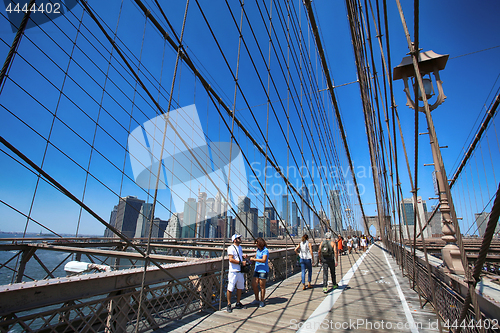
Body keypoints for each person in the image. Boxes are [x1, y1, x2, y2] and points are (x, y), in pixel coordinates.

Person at [226, 234, 248, 313]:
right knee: (230, 288)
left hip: (240, 271)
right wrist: (241, 262)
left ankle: (238, 303)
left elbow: (238, 255)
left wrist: (243, 256)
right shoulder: (230, 248)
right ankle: (229, 304)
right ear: (234, 240)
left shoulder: (240, 247)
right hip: (233, 272)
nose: (240, 239)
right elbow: (231, 259)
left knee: (240, 287)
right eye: (238, 238)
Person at [250, 237, 269, 308]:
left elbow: (264, 260)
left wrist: (254, 259)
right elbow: (255, 257)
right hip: (257, 269)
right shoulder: (258, 250)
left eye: (257, 244)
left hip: (263, 270)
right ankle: (257, 299)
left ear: (260, 244)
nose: (256, 245)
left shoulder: (265, 250)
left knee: (262, 285)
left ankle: (262, 301)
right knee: (254, 284)